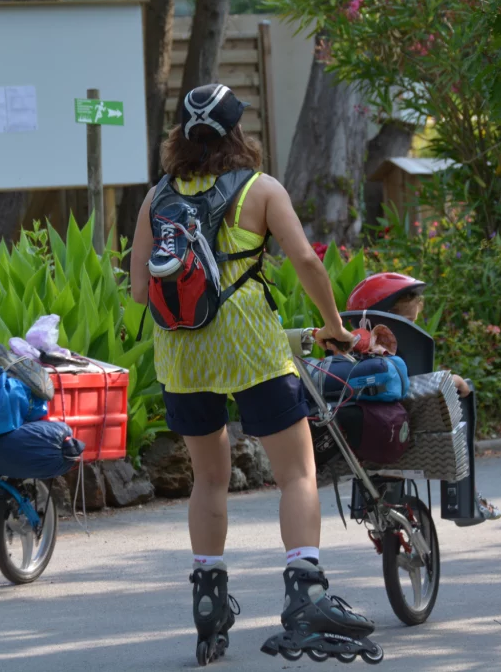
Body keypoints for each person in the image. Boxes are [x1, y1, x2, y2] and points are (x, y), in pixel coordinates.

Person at [130, 84, 379, 666]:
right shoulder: (259, 189)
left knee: (208, 479)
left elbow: (141, 289)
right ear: (236, 132)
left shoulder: (157, 197)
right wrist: (334, 325)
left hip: (182, 353)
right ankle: (304, 594)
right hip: (250, 346)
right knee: (296, 471)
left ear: (180, 139)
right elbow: (308, 261)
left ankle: (210, 605)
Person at [346, 272, 501, 521]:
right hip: (406, 426)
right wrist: (453, 380)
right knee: (463, 389)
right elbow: (413, 386)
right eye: (406, 321)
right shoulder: (394, 347)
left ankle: (365, 505)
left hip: (360, 430)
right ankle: (464, 501)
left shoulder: (349, 349)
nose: (411, 328)